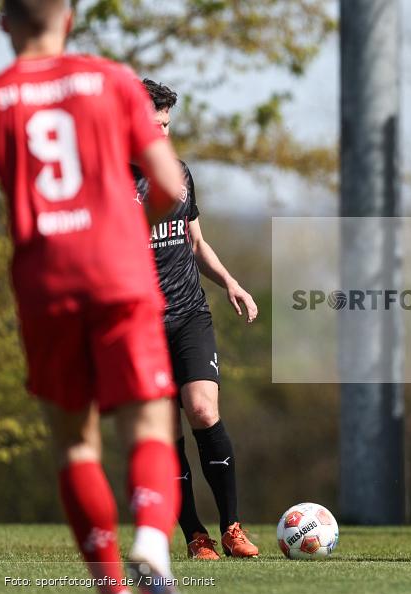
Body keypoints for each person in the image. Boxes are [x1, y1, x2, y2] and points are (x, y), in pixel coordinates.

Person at [0, 1, 186, 594]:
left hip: (46, 284)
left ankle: (111, 589)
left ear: (4, 23)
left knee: (75, 442)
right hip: (119, 276)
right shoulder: (112, 80)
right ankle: (152, 541)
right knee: (150, 422)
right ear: (69, 18)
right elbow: (171, 187)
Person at [133, 79, 260, 559]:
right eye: (153, 123)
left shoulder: (180, 174)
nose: (162, 133)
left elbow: (195, 241)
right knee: (166, 432)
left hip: (188, 314)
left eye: (166, 124)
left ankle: (232, 527)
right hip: (139, 327)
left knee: (204, 410)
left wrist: (230, 282)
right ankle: (195, 535)